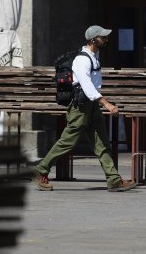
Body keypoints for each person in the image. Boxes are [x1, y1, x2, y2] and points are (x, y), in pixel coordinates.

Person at [31, 25, 137, 192]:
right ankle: (40, 170)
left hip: (91, 106)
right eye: (103, 37)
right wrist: (107, 104)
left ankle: (113, 179)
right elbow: (87, 86)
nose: (106, 40)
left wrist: (98, 103)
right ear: (93, 40)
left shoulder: (95, 56)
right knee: (67, 142)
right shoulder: (82, 59)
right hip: (80, 107)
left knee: (102, 142)